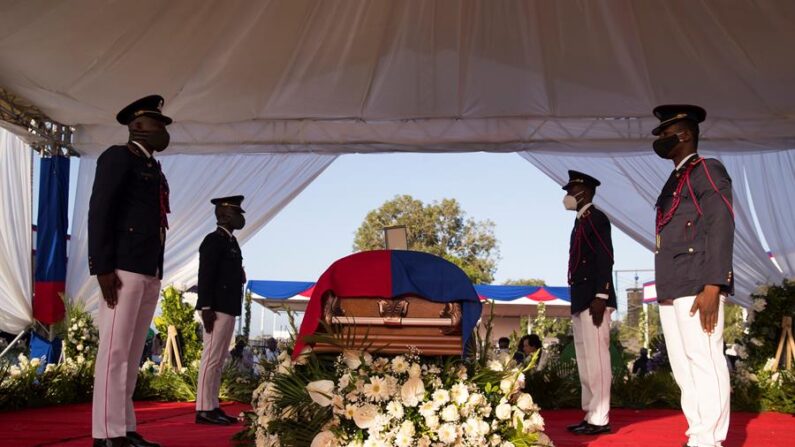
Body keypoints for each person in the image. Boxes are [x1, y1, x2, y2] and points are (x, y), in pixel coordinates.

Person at [88, 95, 172, 447]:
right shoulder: (118, 158)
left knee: (132, 351)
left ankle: (124, 427)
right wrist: (102, 266)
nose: (163, 131)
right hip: (122, 267)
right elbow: (100, 210)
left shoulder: (152, 167)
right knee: (115, 352)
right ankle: (106, 435)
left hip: (147, 266)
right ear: (138, 126)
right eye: (158, 124)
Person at [652, 104, 733, 447]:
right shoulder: (676, 177)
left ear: (684, 135)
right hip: (673, 282)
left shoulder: (706, 169)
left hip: (698, 279)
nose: (659, 140)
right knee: (684, 367)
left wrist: (714, 283)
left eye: (665, 134)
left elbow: (720, 222)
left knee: (705, 359)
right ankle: (697, 433)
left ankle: (710, 439)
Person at [562, 170, 617, 436]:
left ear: (582, 192)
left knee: (598, 359)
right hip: (581, 296)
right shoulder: (580, 221)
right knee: (585, 360)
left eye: (569, 192)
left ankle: (601, 416)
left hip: (594, 298)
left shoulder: (596, 218)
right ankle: (591, 413)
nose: (566, 197)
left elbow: (605, 257)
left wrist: (601, 296)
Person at [195, 195, 247, 425]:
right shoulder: (213, 241)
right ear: (224, 215)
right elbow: (205, 276)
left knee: (219, 359)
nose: (240, 217)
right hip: (215, 307)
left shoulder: (231, 242)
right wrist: (206, 306)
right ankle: (204, 409)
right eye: (237, 213)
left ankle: (212, 405)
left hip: (228, 306)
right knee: (211, 359)